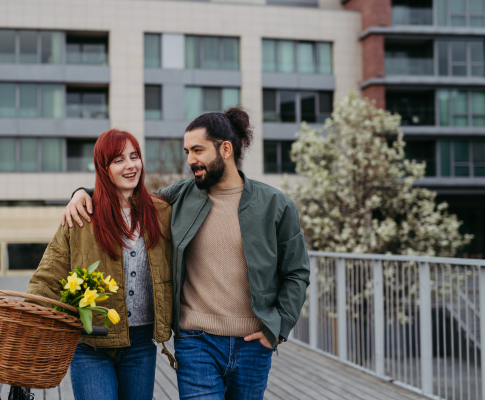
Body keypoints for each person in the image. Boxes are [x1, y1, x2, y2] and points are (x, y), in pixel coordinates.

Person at [63, 107, 310, 400]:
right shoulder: (180, 195)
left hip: (254, 344)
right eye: (187, 151)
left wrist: (279, 328)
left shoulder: (276, 205)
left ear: (226, 149)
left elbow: (297, 272)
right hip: (196, 342)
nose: (190, 159)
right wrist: (83, 192)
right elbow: (128, 195)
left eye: (197, 150)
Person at [27, 129, 174, 400]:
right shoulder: (82, 214)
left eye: (134, 156)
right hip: (89, 343)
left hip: (141, 343)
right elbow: (48, 277)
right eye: (119, 160)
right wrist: (27, 323)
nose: (130, 165)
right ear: (103, 168)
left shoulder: (162, 212)